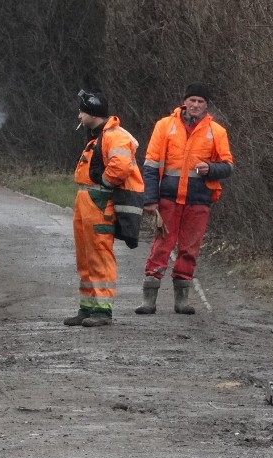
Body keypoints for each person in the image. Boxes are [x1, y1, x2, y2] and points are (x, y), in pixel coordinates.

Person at [135, 82, 234, 315]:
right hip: (168, 199)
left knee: (190, 249)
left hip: (199, 200)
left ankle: (182, 300)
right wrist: (150, 200)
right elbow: (150, 166)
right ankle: (149, 300)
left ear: (207, 105)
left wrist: (210, 168)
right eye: (192, 100)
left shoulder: (217, 131)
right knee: (161, 247)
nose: (196, 105)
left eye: (200, 102)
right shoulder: (164, 126)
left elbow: (228, 166)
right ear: (185, 102)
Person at [64, 90, 144, 328]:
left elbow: (121, 167)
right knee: (86, 257)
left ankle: (102, 310)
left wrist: (105, 182)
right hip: (87, 200)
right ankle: (87, 307)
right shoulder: (100, 136)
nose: (79, 115)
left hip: (99, 201)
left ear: (92, 113)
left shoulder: (114, 136)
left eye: (82, 111)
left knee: (99, 254)